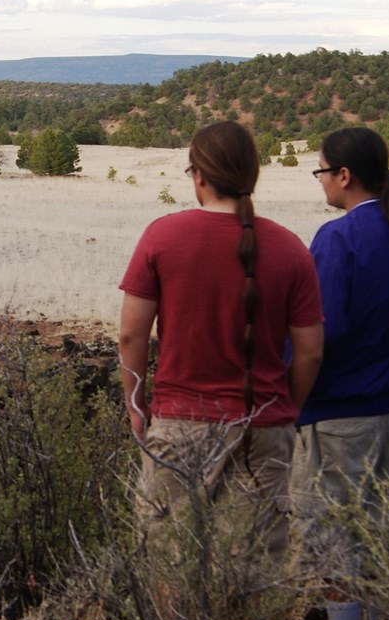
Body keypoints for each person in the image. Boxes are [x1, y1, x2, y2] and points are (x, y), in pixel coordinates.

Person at [119, 121, 324, 556]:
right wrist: (286, 408)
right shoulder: (291, 250)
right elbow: (310, 352)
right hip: (264, 430)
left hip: (179, 427)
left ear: (199, 175)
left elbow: (131, 335)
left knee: (166, 568)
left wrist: (135, 406)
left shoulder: (162, 237)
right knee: (251, 572)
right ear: (253, 176)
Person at [292, 127, 389, 620]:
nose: (321, 182)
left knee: (332, 534)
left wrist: (290, 394)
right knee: (380, 529)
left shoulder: (336, 238)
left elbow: (318, 333)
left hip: (339, 414)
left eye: (322, 171)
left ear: (344, 176)